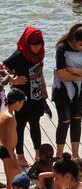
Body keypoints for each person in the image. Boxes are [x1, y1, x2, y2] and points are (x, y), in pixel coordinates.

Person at [52, 25, 82, 161]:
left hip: (80, 91)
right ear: (73, 40)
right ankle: (59, 155)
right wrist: (81, 74)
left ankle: (75, 155)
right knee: (64, 121)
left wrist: (74, 71)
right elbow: (61, 73)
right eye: (81, 44)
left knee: (77, 120)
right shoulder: (62, 49)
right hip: (62, 90)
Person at [2, 27, 49, 158]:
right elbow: (2, 68)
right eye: (34, 46)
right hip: (21, 97)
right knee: (20, 126)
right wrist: (13, 80)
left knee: (35, 124)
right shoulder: (19, 55)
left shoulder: (39, 54)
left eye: (40, 45)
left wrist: (44, 88)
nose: (38, 48)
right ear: (27, 44)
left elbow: (40, 71)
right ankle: (21, 155)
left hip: (37, 95)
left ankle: (38, 154)